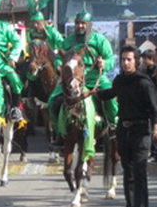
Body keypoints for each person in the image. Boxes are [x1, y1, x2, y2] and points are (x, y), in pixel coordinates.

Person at [98, 45, 157, 207]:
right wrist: (91, 92)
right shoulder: (119, 80)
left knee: (139, 170)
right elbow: (110, 94)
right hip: (123, 129)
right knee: (127, 170)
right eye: (123, 60)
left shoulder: (144, 82)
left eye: (129, 59)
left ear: (136, 61)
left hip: (141, 131)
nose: (125, 63)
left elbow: (154, 109)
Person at [49, 10, 119, 141]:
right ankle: (59, 131)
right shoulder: (68, 41)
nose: (80, 26)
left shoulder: (99, 40)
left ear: (89, 24)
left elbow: (110, 58)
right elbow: (59, 57)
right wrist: (58, 65)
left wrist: (104, 63)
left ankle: (112, 125)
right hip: (72, 79)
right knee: (52, 101)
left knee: (110, 98)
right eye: (77, 23)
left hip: (94, 77)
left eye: (83, 23)